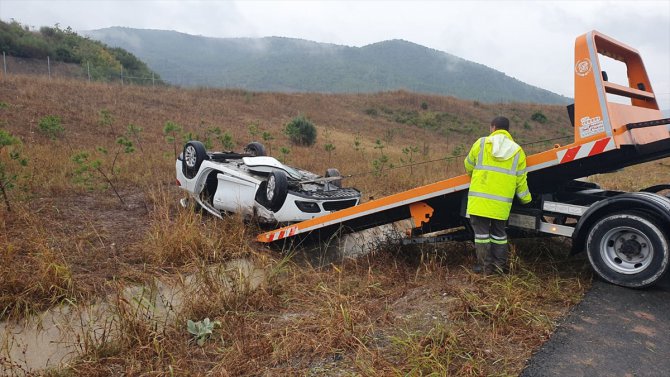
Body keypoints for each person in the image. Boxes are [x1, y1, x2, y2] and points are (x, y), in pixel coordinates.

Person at [464, 116, 531, 274]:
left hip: (479, 202)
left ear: (493, 127)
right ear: (508, 130)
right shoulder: (517, 151)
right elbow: (521, 180)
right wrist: (526, 199)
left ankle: (485, 269)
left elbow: (468, 165)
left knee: (481, 236)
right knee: (499, 235)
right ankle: (500, 267)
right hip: (501, 205)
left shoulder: (481, 143)